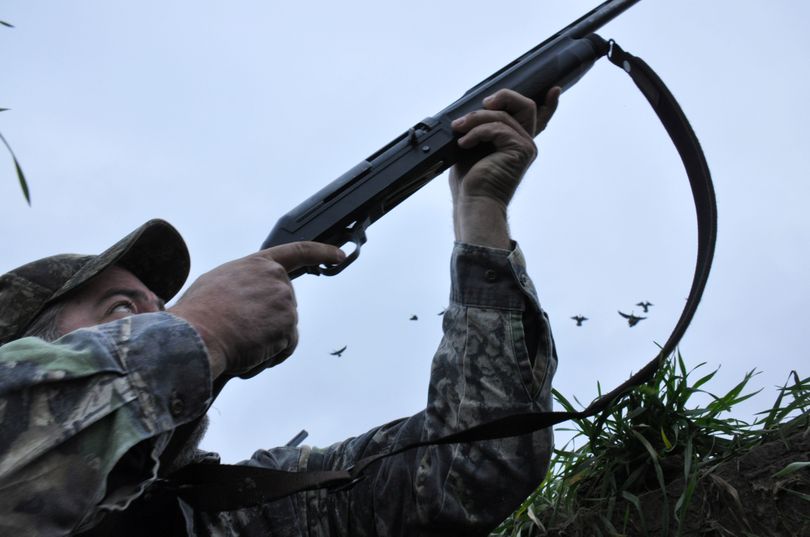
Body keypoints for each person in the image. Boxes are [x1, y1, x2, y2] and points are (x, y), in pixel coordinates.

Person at [0, 87, 560, 537]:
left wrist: (480, 212)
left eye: (163, 311)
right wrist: (203, 328)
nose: (156, 324)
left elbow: (476, 468)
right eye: (121, 311)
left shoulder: (232, 510)